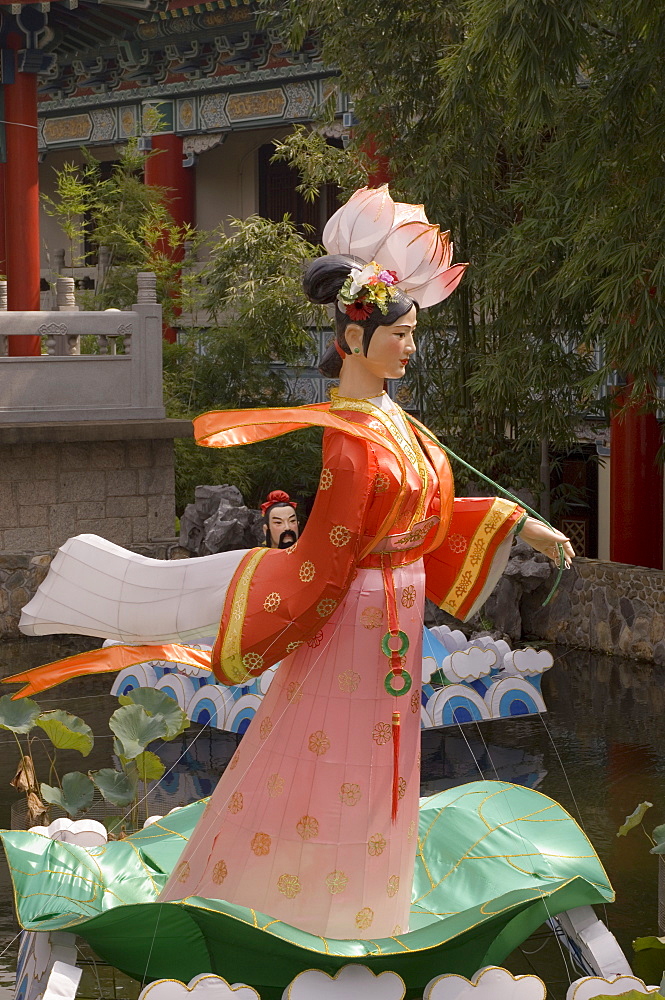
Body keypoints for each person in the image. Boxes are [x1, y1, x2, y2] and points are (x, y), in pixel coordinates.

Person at [9, 188, 574, 945]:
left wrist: (519, 523)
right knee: (343, 751)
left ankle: (370, 893)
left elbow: (425, 520)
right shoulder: (348, 437)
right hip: (361, 616)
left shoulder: (390, 421)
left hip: (394, 611)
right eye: (398, 334)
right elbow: (328, 551)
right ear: (352, 335)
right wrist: (279, 615)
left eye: (410, 333)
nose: (410, 347)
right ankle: (327, 903)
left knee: (382, 747)